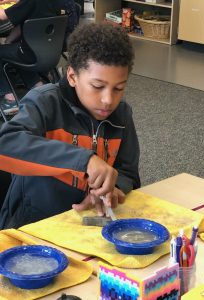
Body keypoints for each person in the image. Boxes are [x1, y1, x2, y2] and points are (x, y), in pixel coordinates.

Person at [0, 23, 140, 229]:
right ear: (73, 77)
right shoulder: (45, 103)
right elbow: (6, 143)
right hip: (32, 225)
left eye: (119, 88)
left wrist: (113, 189)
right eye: (98, 86)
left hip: (83, 226)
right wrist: (84, 160)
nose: (108, 100)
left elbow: (128, 173)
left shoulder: (122, 115)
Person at [0, 0, 62, 115]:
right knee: (18, 49)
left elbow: (3, 15)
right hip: (50, 52)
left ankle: (9, 99)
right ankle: (39, 88)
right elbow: (23, 23)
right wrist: (8, 41)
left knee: (11, 51)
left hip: (30, 54)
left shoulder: (29, 2)